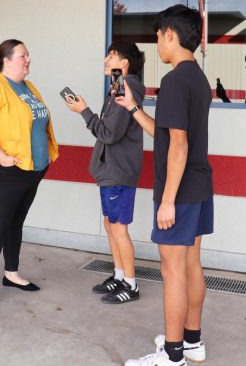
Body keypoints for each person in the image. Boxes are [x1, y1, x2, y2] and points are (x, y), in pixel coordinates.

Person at [116, 5, 214, 365]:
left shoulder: (174, 81)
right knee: (190, 265)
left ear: (170, 34)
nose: (156, 43)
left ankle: (172, 357)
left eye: (158, 35)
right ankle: (191, 342)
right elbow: (167, 133)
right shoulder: (196, 78)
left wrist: (167, 200)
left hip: (180, 190)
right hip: (199, 184)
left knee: (171, 270)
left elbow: (178, 145)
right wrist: (132, 108)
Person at [0, 39, 59, 312]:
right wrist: (1, 156)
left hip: (32, 170)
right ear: (7, 61)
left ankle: (11, 273)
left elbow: (40, 123)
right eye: (23, 56)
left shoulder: (28, 87)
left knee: (15, 223)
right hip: (5, 170)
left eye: (28, 55)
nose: (28, 59)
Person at [64, 41, 146, 304]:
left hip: (119, 171)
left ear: (124, 64)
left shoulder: (127, 87)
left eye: (111, 56)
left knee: (118, 227)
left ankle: (131, 285)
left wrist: (84, 112)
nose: (105, 59)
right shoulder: (117, 86)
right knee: (110, 224)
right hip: (110, 170)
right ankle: (120, 275)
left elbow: (109, 133)